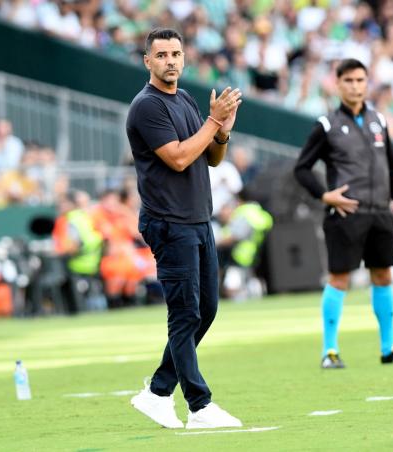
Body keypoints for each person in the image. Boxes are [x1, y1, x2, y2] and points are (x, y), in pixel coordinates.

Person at [125, 28, 243, 429]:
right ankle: (199, 404)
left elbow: (212, 158)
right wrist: (212, 121)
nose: (170, 60)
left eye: (176, 53)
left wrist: (222, 129)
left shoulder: (187, 98)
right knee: (185, 312)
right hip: (169, 222)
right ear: (148, 61)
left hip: (197, 218)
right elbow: (177, 158)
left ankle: (158, 392)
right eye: (161, 55)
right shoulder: (146, 106)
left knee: (205, 309)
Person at [294, 58, 393, 369]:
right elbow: (302, 169)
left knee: (383, 275)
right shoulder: (326, 125)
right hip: (347, 214)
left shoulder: (380, 121)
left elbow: (392, 170)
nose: (355, 86)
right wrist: (324, 195)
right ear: (338, 84)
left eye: (360, 80)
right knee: (339, 279)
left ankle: (389, 348)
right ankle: (330, 351)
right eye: (348, 80)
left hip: (380, 213)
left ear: (367, 84)